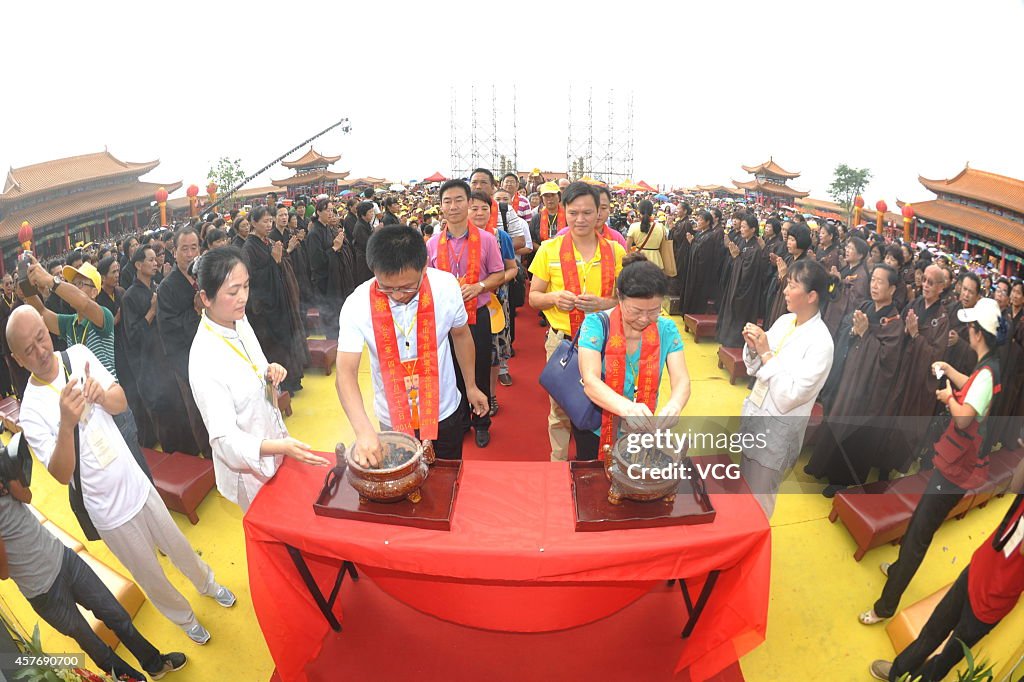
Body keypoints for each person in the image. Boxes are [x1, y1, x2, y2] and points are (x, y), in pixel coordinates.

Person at [9, 306, 235, 646]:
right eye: (28, 349)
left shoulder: (78, 354)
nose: (40, 351)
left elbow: (121, 401)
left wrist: (101, 395)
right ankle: (184, 618)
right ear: (17, 358)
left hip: (135, 480)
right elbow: (60, 473)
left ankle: (207, 583)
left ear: (46, 326)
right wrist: (67, 423)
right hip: (106, 511)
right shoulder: (30, 409)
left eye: (41, 337)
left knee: (177, 543)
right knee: (148, 572)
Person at [860, 297, 1005, 625]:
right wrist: (949, 370)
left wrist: (948, 397)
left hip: (956, 469)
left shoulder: (986, 372)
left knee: (919, 536)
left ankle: (885, 606)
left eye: (971, 326)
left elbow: (966, 417)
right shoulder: (990, 365)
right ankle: (897, 570)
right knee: (918, 523)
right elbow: (973, 386)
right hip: (955, 463)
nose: (968, 330)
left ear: (978, 333)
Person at [0, 476, 187, 680]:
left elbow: (26, 496)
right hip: (43, 592)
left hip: (64, 558)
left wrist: (10, 481)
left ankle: (155, 664)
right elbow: (3, 573)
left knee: (117, 615)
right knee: (96, 647)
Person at [190, 248, 328, 511]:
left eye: (246, 286)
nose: (243, 297)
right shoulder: (204, 359)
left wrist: (268, 372)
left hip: (273, 439)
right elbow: (225, 442)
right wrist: (280, 446)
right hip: (249, 467)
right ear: (206, 298)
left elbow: (256, 365)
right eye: (233, 292)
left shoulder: (237, 320)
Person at [336, 225, 488, 464]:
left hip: (444, 408)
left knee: (447, 480)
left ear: (424, 266)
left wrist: (470, 385)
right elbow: (345, 372)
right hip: (392, 416)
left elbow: (461, 336)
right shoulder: (357, 304)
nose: (397, 295)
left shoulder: (446, 287)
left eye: (408, 287)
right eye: (387, 288)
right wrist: (363, 429)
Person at [870, 460, 1024, 681]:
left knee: (947, 657)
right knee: (932, 630)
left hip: (994, 600)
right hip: (978, 570)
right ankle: (898, 671)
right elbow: (1016, 485)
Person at [529, 182, 625, 461]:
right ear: (564, 212)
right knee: (559, 408)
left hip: (606, 343)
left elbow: (626, 301)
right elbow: (534, 297)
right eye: (573, 213)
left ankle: (602, 459)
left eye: (587, 212)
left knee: (604, 403)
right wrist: (554, 298)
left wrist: (605, 304)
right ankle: (557, 463)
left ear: (599, 213)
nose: (580, 219)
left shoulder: (616, 252)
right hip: (563, 342)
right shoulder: (549, 249)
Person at [737, 259, 835, 518]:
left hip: (777, 432)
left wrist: (766, 353)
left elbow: (788, 397)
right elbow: (755, 368)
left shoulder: (821, 343)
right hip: (756, 414)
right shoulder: (785, 321)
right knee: (741, 487)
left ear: (812, 295)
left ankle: (754, 549)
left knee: (759, 500)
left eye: (792, 286)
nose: (785, 291)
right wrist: (753, 346)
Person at [577, 254, 690, 460]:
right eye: (636, 311)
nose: (645, 319)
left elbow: (681, 378)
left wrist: (675, 405)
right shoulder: (596, 324)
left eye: (654, 311)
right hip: (596, 426)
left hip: (642, 430)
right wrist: (627, 408)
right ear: (619, 297)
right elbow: (590, 381)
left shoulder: (666, 329)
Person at [805, 264, 904, 494]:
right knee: (836, 419)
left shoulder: (894, 323)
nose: (874, 285)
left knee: (853, 430)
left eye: (880, 282)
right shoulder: (866, 306)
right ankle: (821, 466)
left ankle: (842, 480)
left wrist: (865, 334)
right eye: (873, 280)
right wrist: (853, 331)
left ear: (892, 289)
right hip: (849, 377)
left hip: (867, 389)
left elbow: (886, 360)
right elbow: (847, 328)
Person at [426, 180, 505, 447]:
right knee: (450, 371)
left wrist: (479, 286)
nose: (453, 206)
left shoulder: (486, 239)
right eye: (447, 201)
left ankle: (481, 421)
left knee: (480, 367)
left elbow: (499, 274)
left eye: (459, 199)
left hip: (477, 315)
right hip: (445, 320)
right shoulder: (433, 243)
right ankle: (460, 420)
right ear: (440, 207)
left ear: (469, 203)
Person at [156, 227, 211, 456]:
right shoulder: (167, 288)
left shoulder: (205, 276)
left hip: (214, 353)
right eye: (185, 249)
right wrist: (196, 310)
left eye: (194, 248)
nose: (190, 254)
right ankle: (210, 457)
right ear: (174, 251)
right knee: (199, 411)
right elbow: (170, 330)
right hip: (187, 360)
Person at [244, 206, 307, 395]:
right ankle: (282, 385)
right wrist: (273, 262)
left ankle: (293, 379)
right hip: (266, 308)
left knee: (286, 340)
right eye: (265, 221)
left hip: (280, 300)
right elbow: (252, 278)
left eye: (270, 220)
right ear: (254, 223)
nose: (269, 224)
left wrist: (279, 259)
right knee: (275, 346)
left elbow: (281, 264)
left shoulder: (268, 242)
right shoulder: (249, 247)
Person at [306, 198, 355, 340]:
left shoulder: (327, 228)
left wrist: (339, 245)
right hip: (324, 280)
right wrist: (334, 248)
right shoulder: (314, 233)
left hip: (335, 278)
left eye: (332, 210)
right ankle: (332, 340)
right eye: (327, 210)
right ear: (318, 212)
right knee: (329, 313)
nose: (331, 213)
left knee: (338, 311)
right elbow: (317, 262)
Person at [716, 213, 765, 348]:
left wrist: (737, 257)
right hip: (734, 285)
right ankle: (725, 339)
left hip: (744, 291)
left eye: (744, 227)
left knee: (739, 316)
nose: (741, 230)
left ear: (753, 229)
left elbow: (748, 272)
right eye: (741, 227)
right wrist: (736, 257)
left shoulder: (755, 249)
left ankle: (735, 344)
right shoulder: (743, 242)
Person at [680, 209, 726, 315]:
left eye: (701, 220)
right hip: (694, 270)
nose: (698, 222)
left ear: (708, 222)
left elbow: (704, 256)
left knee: (697, 296)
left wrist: (692, 243)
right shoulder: (701, 234)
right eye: (698, 219)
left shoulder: (710, 236)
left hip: (701, 273)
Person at [625, 200, 667, 270]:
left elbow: (627, 247)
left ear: (639, 211)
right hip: (656, 262)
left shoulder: (634, 226)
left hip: (639, 261)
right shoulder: (660, 227)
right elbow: (663, 247)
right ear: (651, 211)